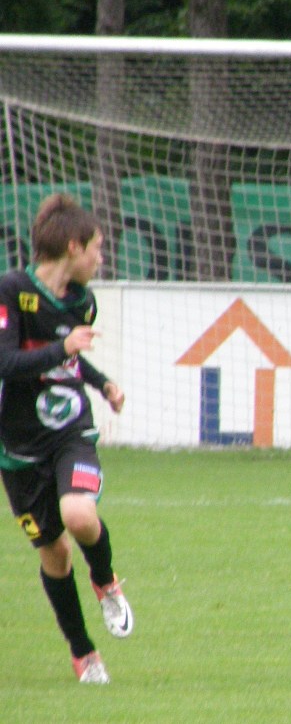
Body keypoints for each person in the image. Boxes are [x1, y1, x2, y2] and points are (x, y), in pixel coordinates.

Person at [0, 194, 133, 684]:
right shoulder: (12, 290)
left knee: (79, 513)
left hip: (69, 430)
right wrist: (63, 347)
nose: (101, 258)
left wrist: (101, 383)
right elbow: (5, 362)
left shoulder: (83, 301)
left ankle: (105, 581)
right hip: (18, 447)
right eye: (97, 247)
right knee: (54, 555)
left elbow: (69, 358)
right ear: (73, 247)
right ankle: (83, 653)